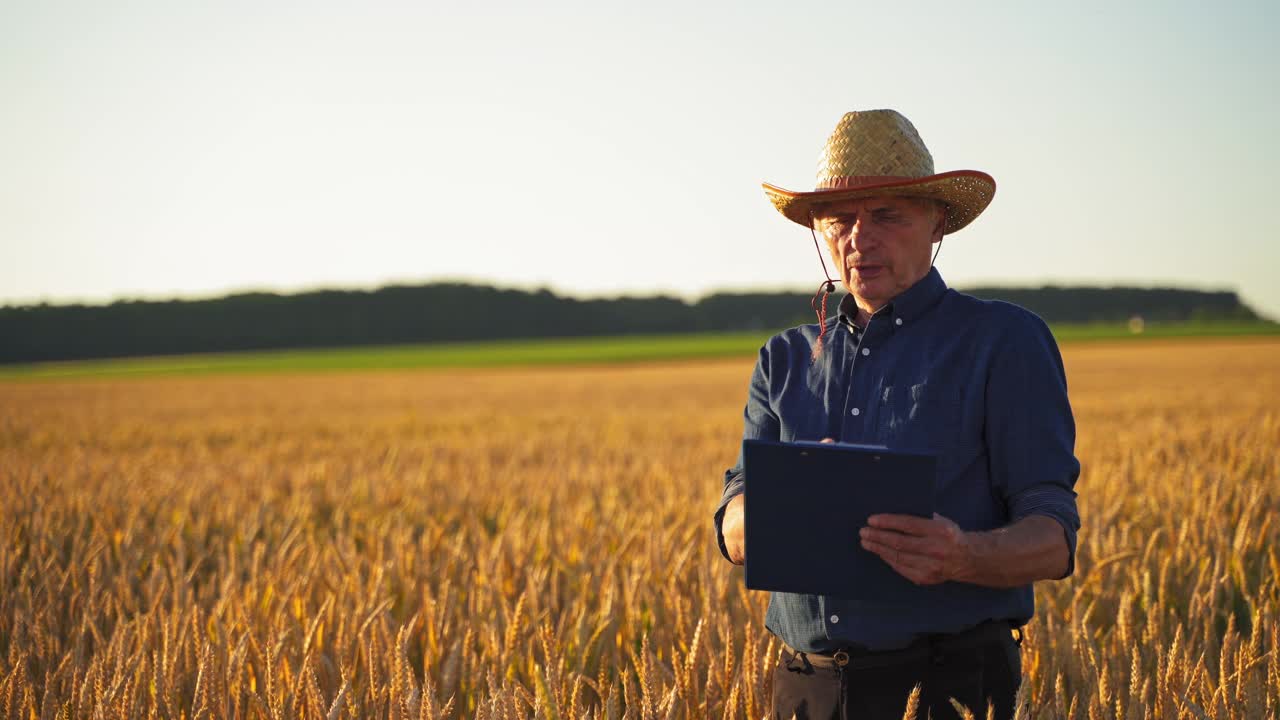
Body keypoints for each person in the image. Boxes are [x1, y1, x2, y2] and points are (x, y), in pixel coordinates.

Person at [713, 109, 1081, 720]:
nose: (859, 238)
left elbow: (1054, 540)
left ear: (937, 223)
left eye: (886, 215)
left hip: (949, 685)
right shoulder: (782, 359)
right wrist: (765, 515)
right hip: (807, 688)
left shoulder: (1003, 341)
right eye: (840, 219)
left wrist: (962, 554)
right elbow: (732, 519)